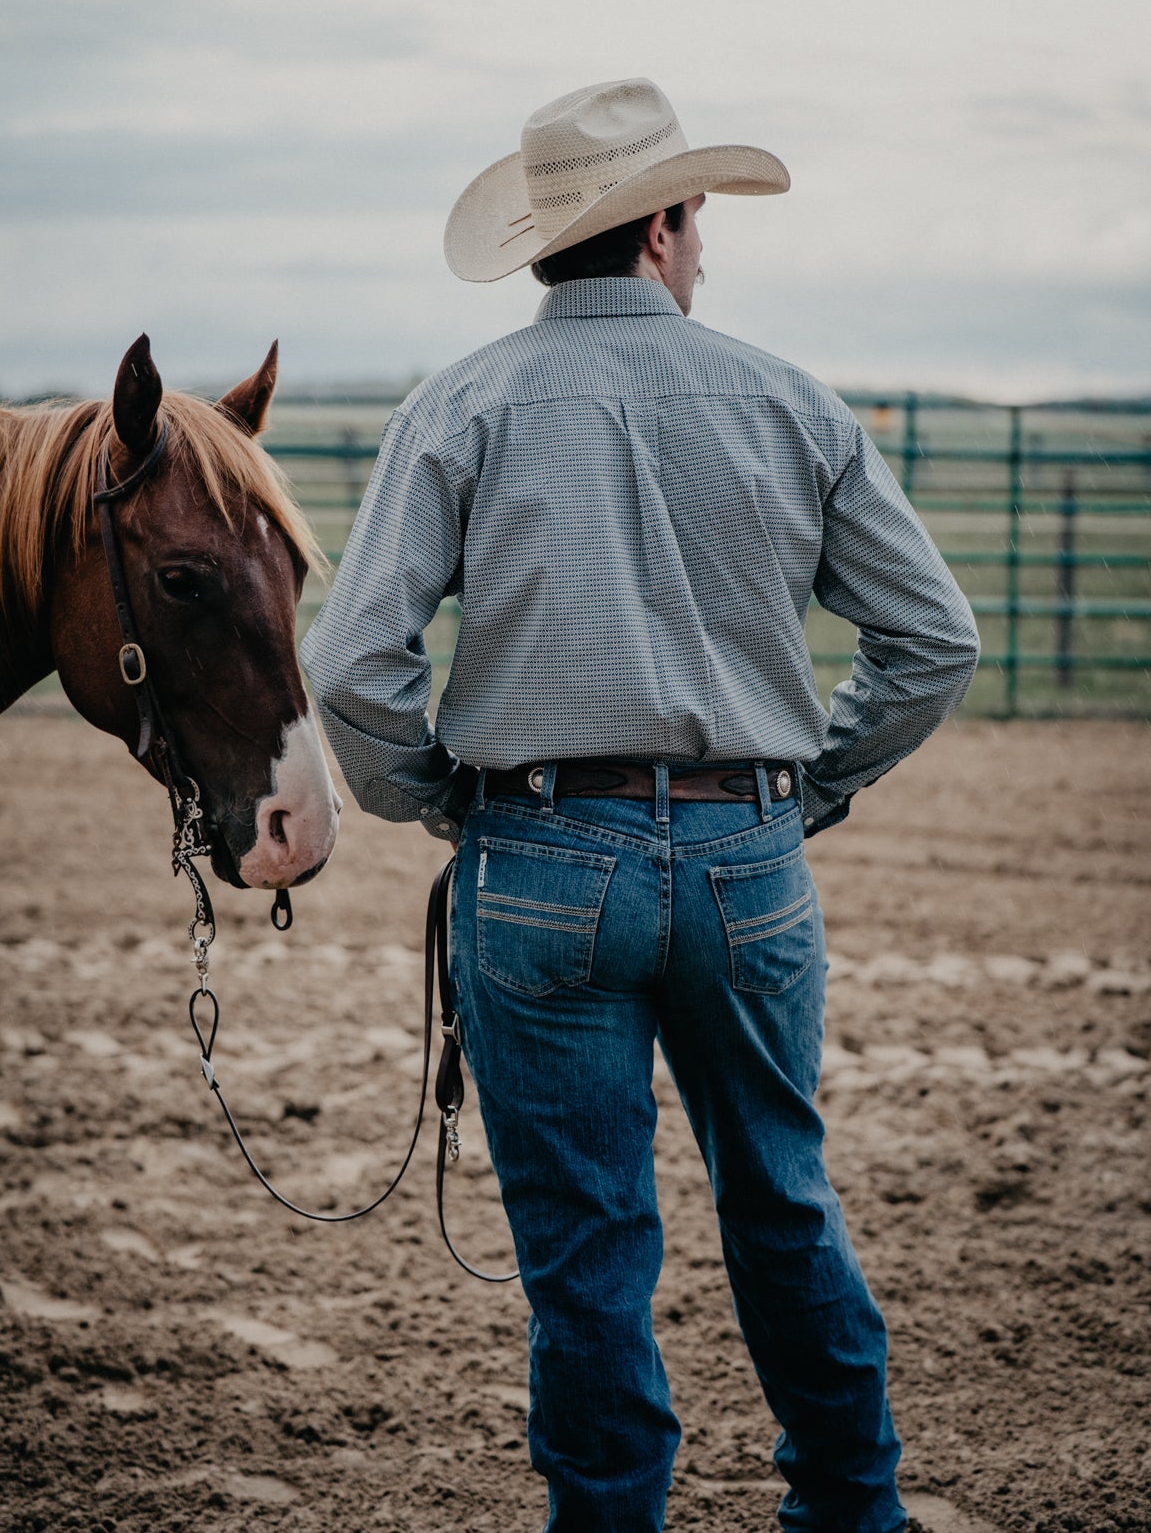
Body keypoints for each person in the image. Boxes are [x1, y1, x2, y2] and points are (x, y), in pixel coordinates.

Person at [301, 77, 980, 1533]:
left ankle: (609, 1520)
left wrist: (445, 798)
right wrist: (812, 785)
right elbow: (936, 641)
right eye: (701, 223)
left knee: (587, 1241)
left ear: (555, 244)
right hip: (746, 852)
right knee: (783, 1199)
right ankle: (853, 1509)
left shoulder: (460, 404)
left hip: (539, 859)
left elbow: (352, 664)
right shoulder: (791, 402)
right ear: (665, 232)